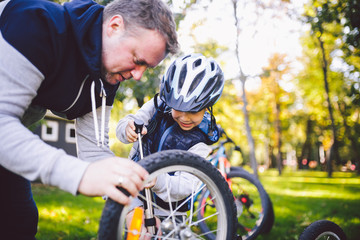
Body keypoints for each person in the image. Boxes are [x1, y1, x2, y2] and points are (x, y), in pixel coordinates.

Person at [0, 0, 178, 238]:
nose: (138, 76)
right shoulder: (36, 23)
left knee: (20, 220)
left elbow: (95, 152)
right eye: (138, 60)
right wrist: (80, 175)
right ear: (114, 26)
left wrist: (131, 209)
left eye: (147, 68)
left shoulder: (106, 76)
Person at [116, 53, 225, 236]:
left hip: (171, 212)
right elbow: (131, 122)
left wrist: (158, 180)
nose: (184, 117)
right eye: (178, 109)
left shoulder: (201, 141)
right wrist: (127, 129)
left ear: (208, 105)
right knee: (134, 234)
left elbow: (188, 186)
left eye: (194, 111)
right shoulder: (157, 106)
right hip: (135, 196)